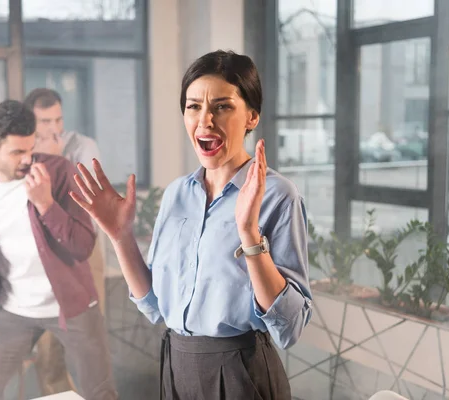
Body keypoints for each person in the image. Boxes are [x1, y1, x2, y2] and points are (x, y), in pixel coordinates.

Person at [70, 50, 313, 399]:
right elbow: (154, 304)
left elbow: (290, 327)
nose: (205, 121)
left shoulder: (278, 196)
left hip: (240, 371)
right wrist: (121, 236)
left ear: (252, 116)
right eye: (193, 106)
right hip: (175, 363)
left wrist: (249, 235)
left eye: (222, 106)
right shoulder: (177, 195)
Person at [0, 99, 117, 400]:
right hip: (10, 310)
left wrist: (45, 204)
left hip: (72, 304)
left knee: (101, 394)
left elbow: (83, 246)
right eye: (17, 152)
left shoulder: (59, 172)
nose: (28, 159)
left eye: (31, 149)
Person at [23, 88, 106, 396]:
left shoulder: (83, 146)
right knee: (48, 343)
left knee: (89, 334)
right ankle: (56, 392)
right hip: (43, 253)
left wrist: (54, 162)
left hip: (84, 248)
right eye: (45, 121)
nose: (53, 128)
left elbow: (86, 199)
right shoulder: (22, 148)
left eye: (58, 119)